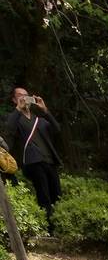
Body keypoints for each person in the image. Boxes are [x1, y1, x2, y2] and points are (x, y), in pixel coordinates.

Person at [4, 87, 61, 229]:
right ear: (14, 99)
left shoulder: (39, 119)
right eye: (20, 96)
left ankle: (59, 225)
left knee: (57, 194)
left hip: (49, 161)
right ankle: (49, 228)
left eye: (26, 95)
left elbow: (57, 129)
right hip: (32, 162)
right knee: (44, 195)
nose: (24, 98)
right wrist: (18, 109)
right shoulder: (16, 119)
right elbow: (8, 130)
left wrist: (45, 109)